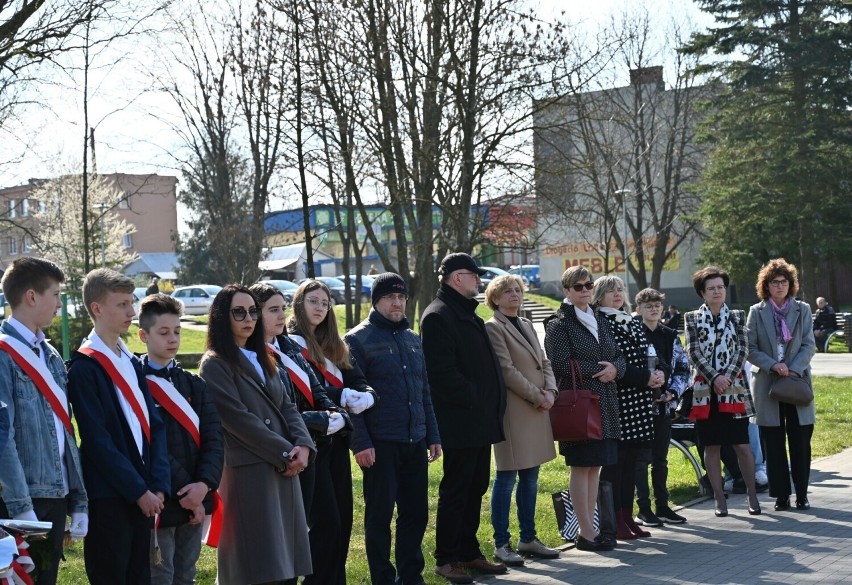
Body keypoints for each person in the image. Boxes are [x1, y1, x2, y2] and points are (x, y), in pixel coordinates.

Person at [199, 285, 314, 584]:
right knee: (257, 567)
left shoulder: (262, 356)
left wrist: (303, 444)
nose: (248, 318)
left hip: (283, 469)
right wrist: (286, 452)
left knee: (285, 566)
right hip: (250, 473)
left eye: (252, 311)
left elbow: (287, 405)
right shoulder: (214, 364)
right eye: (239, 312)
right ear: (223, 317)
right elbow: (238, 420)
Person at [67, 268, 171, 585]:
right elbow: (97, 440)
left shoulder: (130, 360)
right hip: (111, 495)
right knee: (112, 575)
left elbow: (155, 426)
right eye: (122, 304)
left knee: (139, 577)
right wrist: (138, 490)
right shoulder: (85, 367)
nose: (131, 312)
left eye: (131, 302)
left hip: (143, 492)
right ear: (97, 309)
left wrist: (157, 485)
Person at [344, 273, 442, 585]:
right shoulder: (357, 340)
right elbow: (351, 399)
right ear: (376, 301)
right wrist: (360, 443)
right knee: (379, 517)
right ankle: (382, 579)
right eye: (390, 297)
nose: (397, 302)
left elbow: (425, 391)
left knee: (416, 514)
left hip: (414, 441)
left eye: (401, 297)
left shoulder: (413, 340)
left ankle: (411, 576)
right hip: (380, 444)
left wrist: (433, 436)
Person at [421, 253, 508, 583]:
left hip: (479, 420)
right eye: (473, 275)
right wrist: (477, 398)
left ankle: (468, 551)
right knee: (457, 488)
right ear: (456, 278)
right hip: (460, 421)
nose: (478, 280)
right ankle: (446, 558)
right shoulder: (438, 316)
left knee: (476, 486)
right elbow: (442, 375)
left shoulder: (465, 314)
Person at [0, 257, 88, 584]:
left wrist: (78, 500)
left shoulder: (50, 355)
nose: (59, 304)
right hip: (20, 500)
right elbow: (2, 438)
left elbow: (65, 430)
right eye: (55, 294)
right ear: (32, 297)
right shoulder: (3, 354)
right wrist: (22, 509)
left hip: (55, 498)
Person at [287, 279, 377, 585]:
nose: (320, 308)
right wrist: (340, 398)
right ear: (299, 304)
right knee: (326, 524)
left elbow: (360, 381)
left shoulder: (335, 346)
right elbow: (305, 393)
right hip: (312, 443)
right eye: (313, 301)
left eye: (325, 303)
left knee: (343, 522)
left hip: (339, 442)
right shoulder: (290, 344)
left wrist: (364, 396)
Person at [138, 294, 223, 585]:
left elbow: (214, 439)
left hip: (197, 496)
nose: (172, 339)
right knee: (161, 574)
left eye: (177, 331)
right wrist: (188, 493)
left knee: (187, 574)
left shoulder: (193, 384)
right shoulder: (136, 385)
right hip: (163, 498)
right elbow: (151, 446)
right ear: (143, 336)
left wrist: (204, 485)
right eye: (163, 333)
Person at [543, 266, 623, 552]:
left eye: (588, 285)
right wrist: (599, 371)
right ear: (566, 291)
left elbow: (617, 354)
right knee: (581, 465)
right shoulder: (558, 323)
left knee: (595, 466)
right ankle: (586, 532)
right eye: (578, 287)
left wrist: (615, 369)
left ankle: (592, 527)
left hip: (606, 402)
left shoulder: (599, 317)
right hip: (580, 404)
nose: (585, 290)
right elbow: (560, 363)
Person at [483, 274, 560, 566]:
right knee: (506, 477)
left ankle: (528, 537)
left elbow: (544, 361)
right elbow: (506, 370)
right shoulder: (493, 327)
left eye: (517, 289)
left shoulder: (527, 323)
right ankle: (501, 543)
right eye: (507, 291)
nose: (514, 294)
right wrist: (537, 396)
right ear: (495, 298)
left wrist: (551, 391)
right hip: (516, 411)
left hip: (538, 407)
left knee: (531, 476)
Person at [684, 266, 760, 517]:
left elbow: (742, 349)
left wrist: (726, 376)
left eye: (720, 287)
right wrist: (714, 377)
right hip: (706, 391)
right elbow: (693, 352)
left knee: (742, 445)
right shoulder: (692, 318)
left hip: (734, 388)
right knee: (712, 446)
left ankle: (752, 496)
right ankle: (719, 498)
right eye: (711, 288)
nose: (717, 292)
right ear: (702, 293)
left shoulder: (738, 316)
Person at [593, 276, 661, 540]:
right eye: (610, 290)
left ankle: (627, 515)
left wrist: (659, 374)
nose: (617, 294)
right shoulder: (601, 322)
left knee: (632, 461)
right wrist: (645, 377)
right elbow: (614, 362)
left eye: (620, 289)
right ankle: (614, 519)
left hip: (640, 400)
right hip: (618, 399)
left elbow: (648, 353)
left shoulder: (631, 320)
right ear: (599, 296)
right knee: (617, 462)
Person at [746, 259, 816, 511]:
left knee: (799, 440)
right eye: (774, 282)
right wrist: (773, 365)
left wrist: (793, 368)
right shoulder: (757, 311)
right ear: (766, 285)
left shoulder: (803, 309)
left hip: (796, 381)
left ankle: (801, 494)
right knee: (772, 442)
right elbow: (750, 348)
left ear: (791, 284)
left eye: (784, 282)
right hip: (767, 382)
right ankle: (781, 496)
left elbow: (809, 344)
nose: (780, 286)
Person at [633, 288, 688, 526]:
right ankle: (644, 508)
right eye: (648, 306)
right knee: (641, 459)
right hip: (640, 407)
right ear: (638, 310)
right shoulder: (634, 333)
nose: (654, 309)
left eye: (657, 305)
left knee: (661, 459)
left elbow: (684, 368)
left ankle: (663, 506)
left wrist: (672, 392)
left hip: (665, 407)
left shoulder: (670, 335)